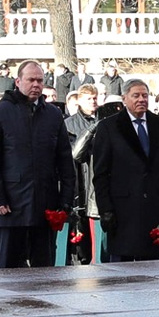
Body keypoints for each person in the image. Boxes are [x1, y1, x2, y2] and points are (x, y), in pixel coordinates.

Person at [0, 61, 75, 268]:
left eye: (40, 80)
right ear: (18, 81)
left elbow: (65, 161)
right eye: (31, 80)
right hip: (10, 206)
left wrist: (65, 201)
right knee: (9, 270)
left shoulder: (52, 114)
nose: (36, 85)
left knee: (44, 271)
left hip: (44, 204)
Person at [91, 80, 159, 263]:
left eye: (145, 95)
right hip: (122, 210)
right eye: (136, 95)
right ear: (125, 98)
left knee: (152, 267)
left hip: (154, 208)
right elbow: (100, 174)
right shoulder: (109, 127)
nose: (141, 100)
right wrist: (105, 209)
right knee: (123, 269)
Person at [63, 85, 104, 265]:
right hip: (79, 186)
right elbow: (75, 155)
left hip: (98, 186)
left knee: (99, 246)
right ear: (78, 100)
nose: (93, 102)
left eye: (95, 98)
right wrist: (91, 130)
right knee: (79, 245)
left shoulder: (105, 120)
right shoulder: (69, 124)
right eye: (89, 98)